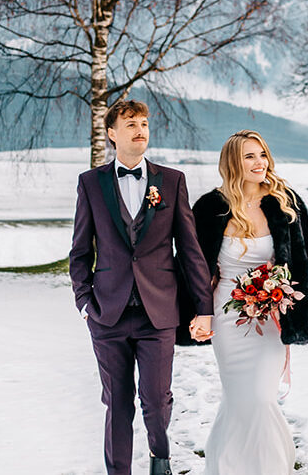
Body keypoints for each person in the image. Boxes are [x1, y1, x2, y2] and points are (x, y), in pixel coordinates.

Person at [69, 100, 214, 475]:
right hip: (107, 314)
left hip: (159, 312)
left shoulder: (172, 181)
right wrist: (85, 302)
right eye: (131, 123)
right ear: (113, 134)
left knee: (156, 399)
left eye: (145, 123)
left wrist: (204, 307)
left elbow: (191, 250)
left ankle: (159, 458)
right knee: (117, 401)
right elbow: (80, 250)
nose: (140, 129)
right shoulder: (91, 183)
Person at [188, 130, 308, 475]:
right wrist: (199, 313)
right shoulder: (210, 207)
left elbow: (305, 261)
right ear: (232, 163)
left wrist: (305, 313)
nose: (259, 163)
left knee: (261, 397)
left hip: (273, 316)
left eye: (262, 155)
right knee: (239, 397)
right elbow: (193, 266)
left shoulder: (286, 202)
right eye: (249, 157)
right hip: (227, 315)